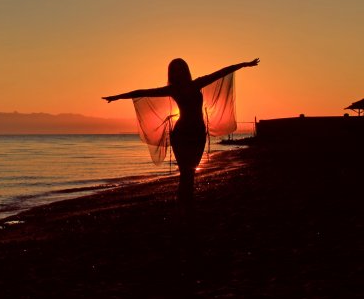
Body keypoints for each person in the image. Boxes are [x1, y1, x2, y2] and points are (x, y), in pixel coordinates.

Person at [103, 58, 259, 205]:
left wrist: (245, 64)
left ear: (185, 70)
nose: (178, 73)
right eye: (174, 70)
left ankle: (186, 204)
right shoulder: (172, 89)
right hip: (181, 134)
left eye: (180, 69)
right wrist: (117, 97)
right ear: (172, 73)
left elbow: (221, 72)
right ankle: (185, 204)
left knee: (190, 173)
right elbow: (142, 92)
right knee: (186, 172)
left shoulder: (197, 83)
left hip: (198, 133)